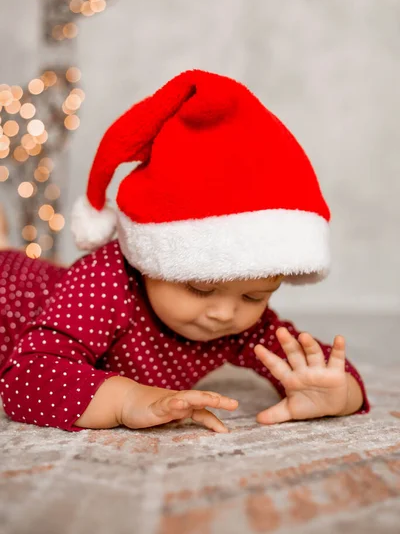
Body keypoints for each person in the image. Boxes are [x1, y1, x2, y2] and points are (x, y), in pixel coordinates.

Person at [0, 69, 370, 433]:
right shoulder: (107, 281)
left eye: (256, 295)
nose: (225, 313)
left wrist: (337, 395)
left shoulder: (242, 322)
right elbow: (26, 379)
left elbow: (314, 363)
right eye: (201, 289)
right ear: (148, 262)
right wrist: (128, 400)